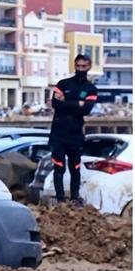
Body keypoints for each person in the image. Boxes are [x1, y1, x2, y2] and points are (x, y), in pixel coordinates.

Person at [49, 54, 98, 205]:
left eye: (84, 66)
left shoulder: (91, 89)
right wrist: (78, 104)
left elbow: (87, 110)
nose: (81, 69)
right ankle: (60, 198)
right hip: (58, 133)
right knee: (58, 167)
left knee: (75, 167)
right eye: (78, 66)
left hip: (75, 134)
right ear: (74, 66)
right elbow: (56, 104)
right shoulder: (63, 83)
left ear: (89, 67)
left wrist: (67, 103)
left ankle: (74, 198)